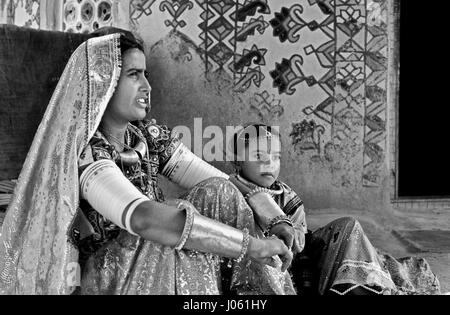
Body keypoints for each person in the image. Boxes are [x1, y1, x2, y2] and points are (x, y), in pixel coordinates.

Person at [0, 29, 295, 295]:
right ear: (103, 84)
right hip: (111, 281)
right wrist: (251, 246)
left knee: (218, 192)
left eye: (146, 74)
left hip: (156, 258)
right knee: (172, 220)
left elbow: (225, 184)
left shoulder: (148, 136)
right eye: (133, 74)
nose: (147, 86)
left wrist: (277, 220)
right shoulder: (86, 152)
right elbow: (143, 218)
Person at [227, 123, 442, 295]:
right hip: (264, 266)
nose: (270, 164)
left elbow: (299, 237)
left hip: (299, 259)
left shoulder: (286, 195)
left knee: (348, 227)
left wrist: (294, 237)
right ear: (237, 161)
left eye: (276, 157)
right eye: (258, 156)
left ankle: (359, 285)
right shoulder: (227, 191)